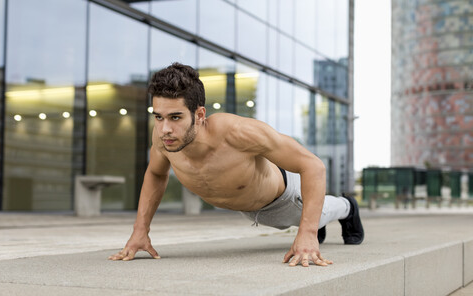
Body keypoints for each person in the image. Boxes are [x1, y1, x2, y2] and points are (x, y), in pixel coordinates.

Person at [109, 62, 364, 267]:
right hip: (246, 205)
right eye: (158, 117)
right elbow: (155, 174)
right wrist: (140, 230)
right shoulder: (164, 138)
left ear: (199, 115)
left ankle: (347, 207)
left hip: (285, 199)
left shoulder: (238, 133)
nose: (165, 128)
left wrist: (307, 234)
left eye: (175, 117)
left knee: (318, 215)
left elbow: (313, 166)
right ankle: (312, 224)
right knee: (308, 222)